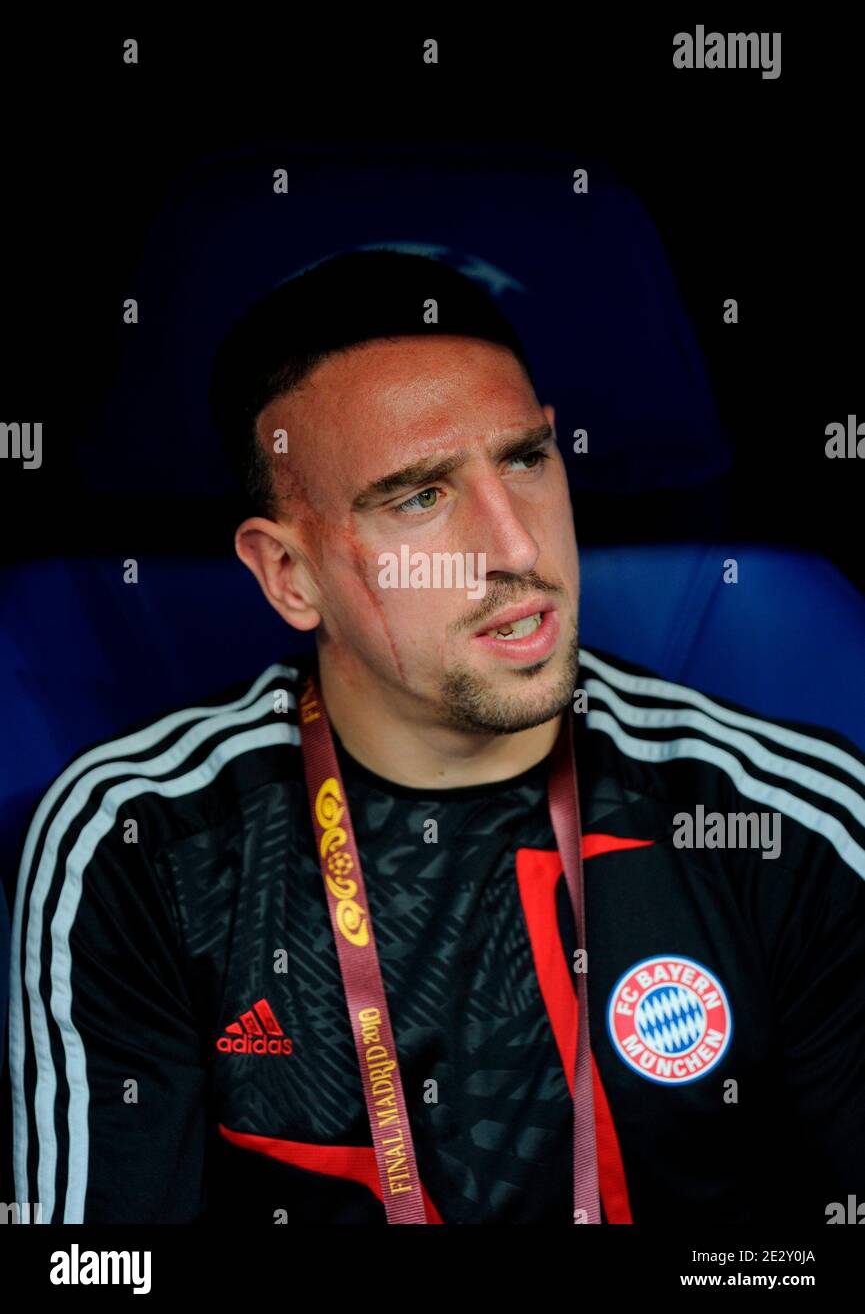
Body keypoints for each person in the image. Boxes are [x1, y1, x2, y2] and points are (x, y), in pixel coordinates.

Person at [8, 250, 865, 1224]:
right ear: (290, 573)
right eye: (419, 495)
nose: (514, 546)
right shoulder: (141, 843)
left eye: (525, 460)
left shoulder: (783, 818)